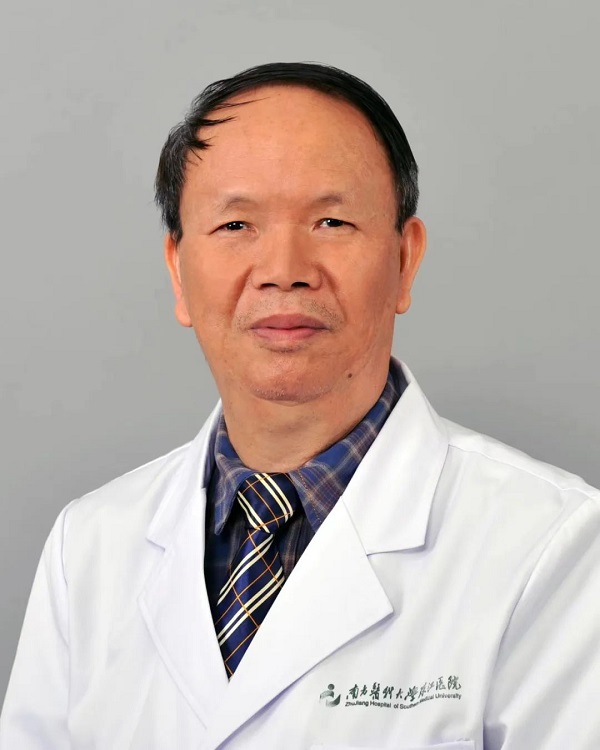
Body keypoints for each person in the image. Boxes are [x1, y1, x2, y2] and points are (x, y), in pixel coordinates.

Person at [1, 62, 599, 750]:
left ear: (405, 259)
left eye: (331, 220)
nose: (284, 269)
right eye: (236, 224)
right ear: (177, 270)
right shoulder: (89, 546)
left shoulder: (555, 547)